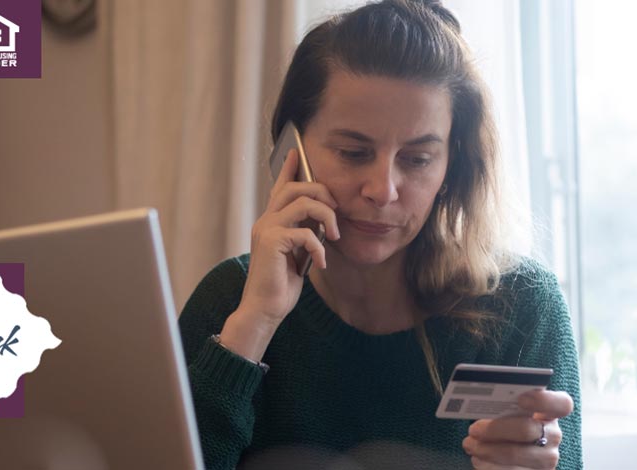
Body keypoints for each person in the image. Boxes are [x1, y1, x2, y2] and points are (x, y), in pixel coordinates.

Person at [177, 1, 581, 469]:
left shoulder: (519, 307)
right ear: (290, 151)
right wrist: (255, 326)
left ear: (454, 165)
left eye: (417, 159)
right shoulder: (228, 301)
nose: (382, 190)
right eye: (353, 152)